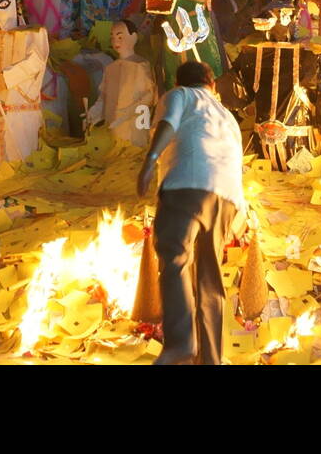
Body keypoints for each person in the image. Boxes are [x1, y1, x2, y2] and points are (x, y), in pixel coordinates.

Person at [136, 60, 246, 365]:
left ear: (179, 83)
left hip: (186, 186)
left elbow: (168, 123)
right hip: (225, 198)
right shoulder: (227, 117)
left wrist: (150, 160)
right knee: (210, 281)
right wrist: (241, 214)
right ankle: (212, 357)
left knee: (174, 259)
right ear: (212, 86)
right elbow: (238, 165)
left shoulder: (180, 95)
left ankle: (181, 342)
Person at [85, 20, 158, 148]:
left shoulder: (141, 65)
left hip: (134, 127)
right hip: (112, 126)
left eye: (120, 37)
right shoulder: (110, 68)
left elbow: (149, 96)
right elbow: (104, 97)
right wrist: (93, 113)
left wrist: (128, 111)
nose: (115, 41)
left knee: (132, 156)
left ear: (133, 37)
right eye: (112, 37)